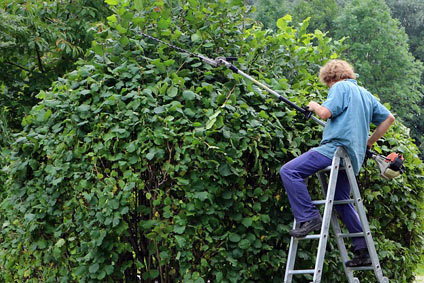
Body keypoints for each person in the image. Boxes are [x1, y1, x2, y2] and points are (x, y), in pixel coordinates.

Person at [279, 59, 395, 267]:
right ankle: (363, 251)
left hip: (334, 150)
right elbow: (389, 119)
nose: (329, 88)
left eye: (327, 84)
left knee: (289, 171)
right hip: (353, 156)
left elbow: (324, 113)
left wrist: (314, 105)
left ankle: (309, 216)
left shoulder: (340, 87)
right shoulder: (366, 95)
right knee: (342, 201)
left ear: (331, 78)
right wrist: (368, 143)